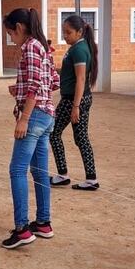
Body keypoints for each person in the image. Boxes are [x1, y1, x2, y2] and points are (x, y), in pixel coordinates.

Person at [2, 8, 59, 249]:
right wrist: (20, 90)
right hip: (46, 116)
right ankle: (43, 223)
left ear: (19, 28)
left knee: (17, 170)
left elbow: (36, 83)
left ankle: (22, 229)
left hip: (34, 117)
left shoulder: (31, 47)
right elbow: (52, 82)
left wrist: (24, 117)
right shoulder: (43, 47)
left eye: (10, 33)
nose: (11, 38)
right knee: (38, 171)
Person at [49, 14, 99, 190]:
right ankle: (90, 178)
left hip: (74, 100)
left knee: (53, 133)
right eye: (64, 32)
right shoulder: (79, 47)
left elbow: (80, 79)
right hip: (78, 99)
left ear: (79, 32)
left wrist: (76, 106)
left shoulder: (79, 49)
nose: (65, 36)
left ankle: (63, 174)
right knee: (80, 138)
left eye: (68, 32)